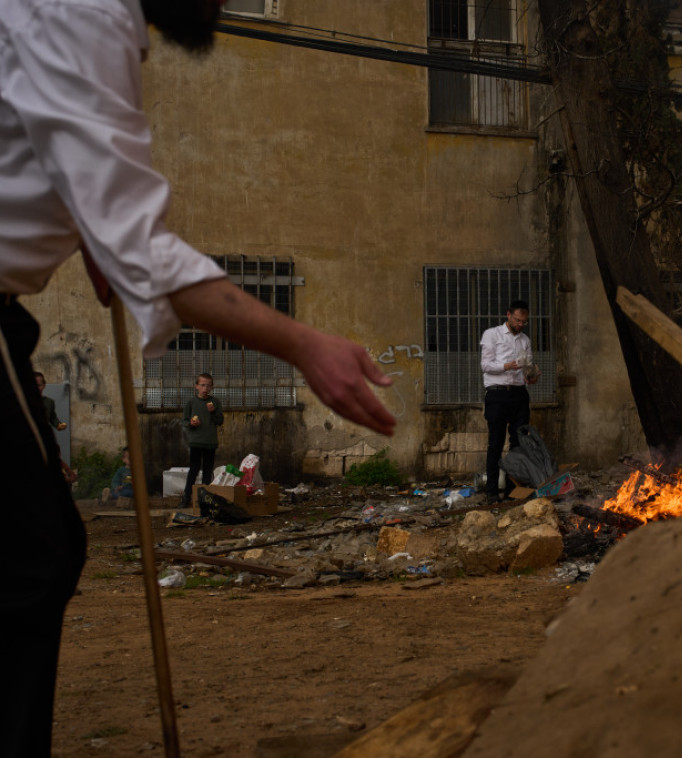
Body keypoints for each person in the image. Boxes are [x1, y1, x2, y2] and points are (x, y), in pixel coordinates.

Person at [0, 1, 396, 753]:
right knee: (31, 559)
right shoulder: (82, 9)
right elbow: (145, 251)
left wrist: (92, 223)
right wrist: (307, 345)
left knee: (38, 551)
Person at [480, 299, 540, 505]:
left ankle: (515, 491)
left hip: (519, 395)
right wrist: (507, 365)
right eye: (517, 320)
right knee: (495, 443)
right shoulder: (492, 334)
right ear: (508, 315)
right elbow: (486, 366)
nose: (520, 324)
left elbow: (527, 370)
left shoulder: (525, 340)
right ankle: (492, 492)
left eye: (524, 321)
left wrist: (532, 375)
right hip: (497, 395)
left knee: (518, 443)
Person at [180, 373, 223, 507]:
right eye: (202, 385)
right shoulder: (191, 403)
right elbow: (185, 421)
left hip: (210, 442)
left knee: (208, 471)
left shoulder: (215, 402)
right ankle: (186, 497)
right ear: (196, 386)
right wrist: (191, 424)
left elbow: (219, 421)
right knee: (193, 470)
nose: (205, 388)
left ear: (211, 387)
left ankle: (204, 499)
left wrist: (213, 411)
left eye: (208, 385)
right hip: (196, 442)